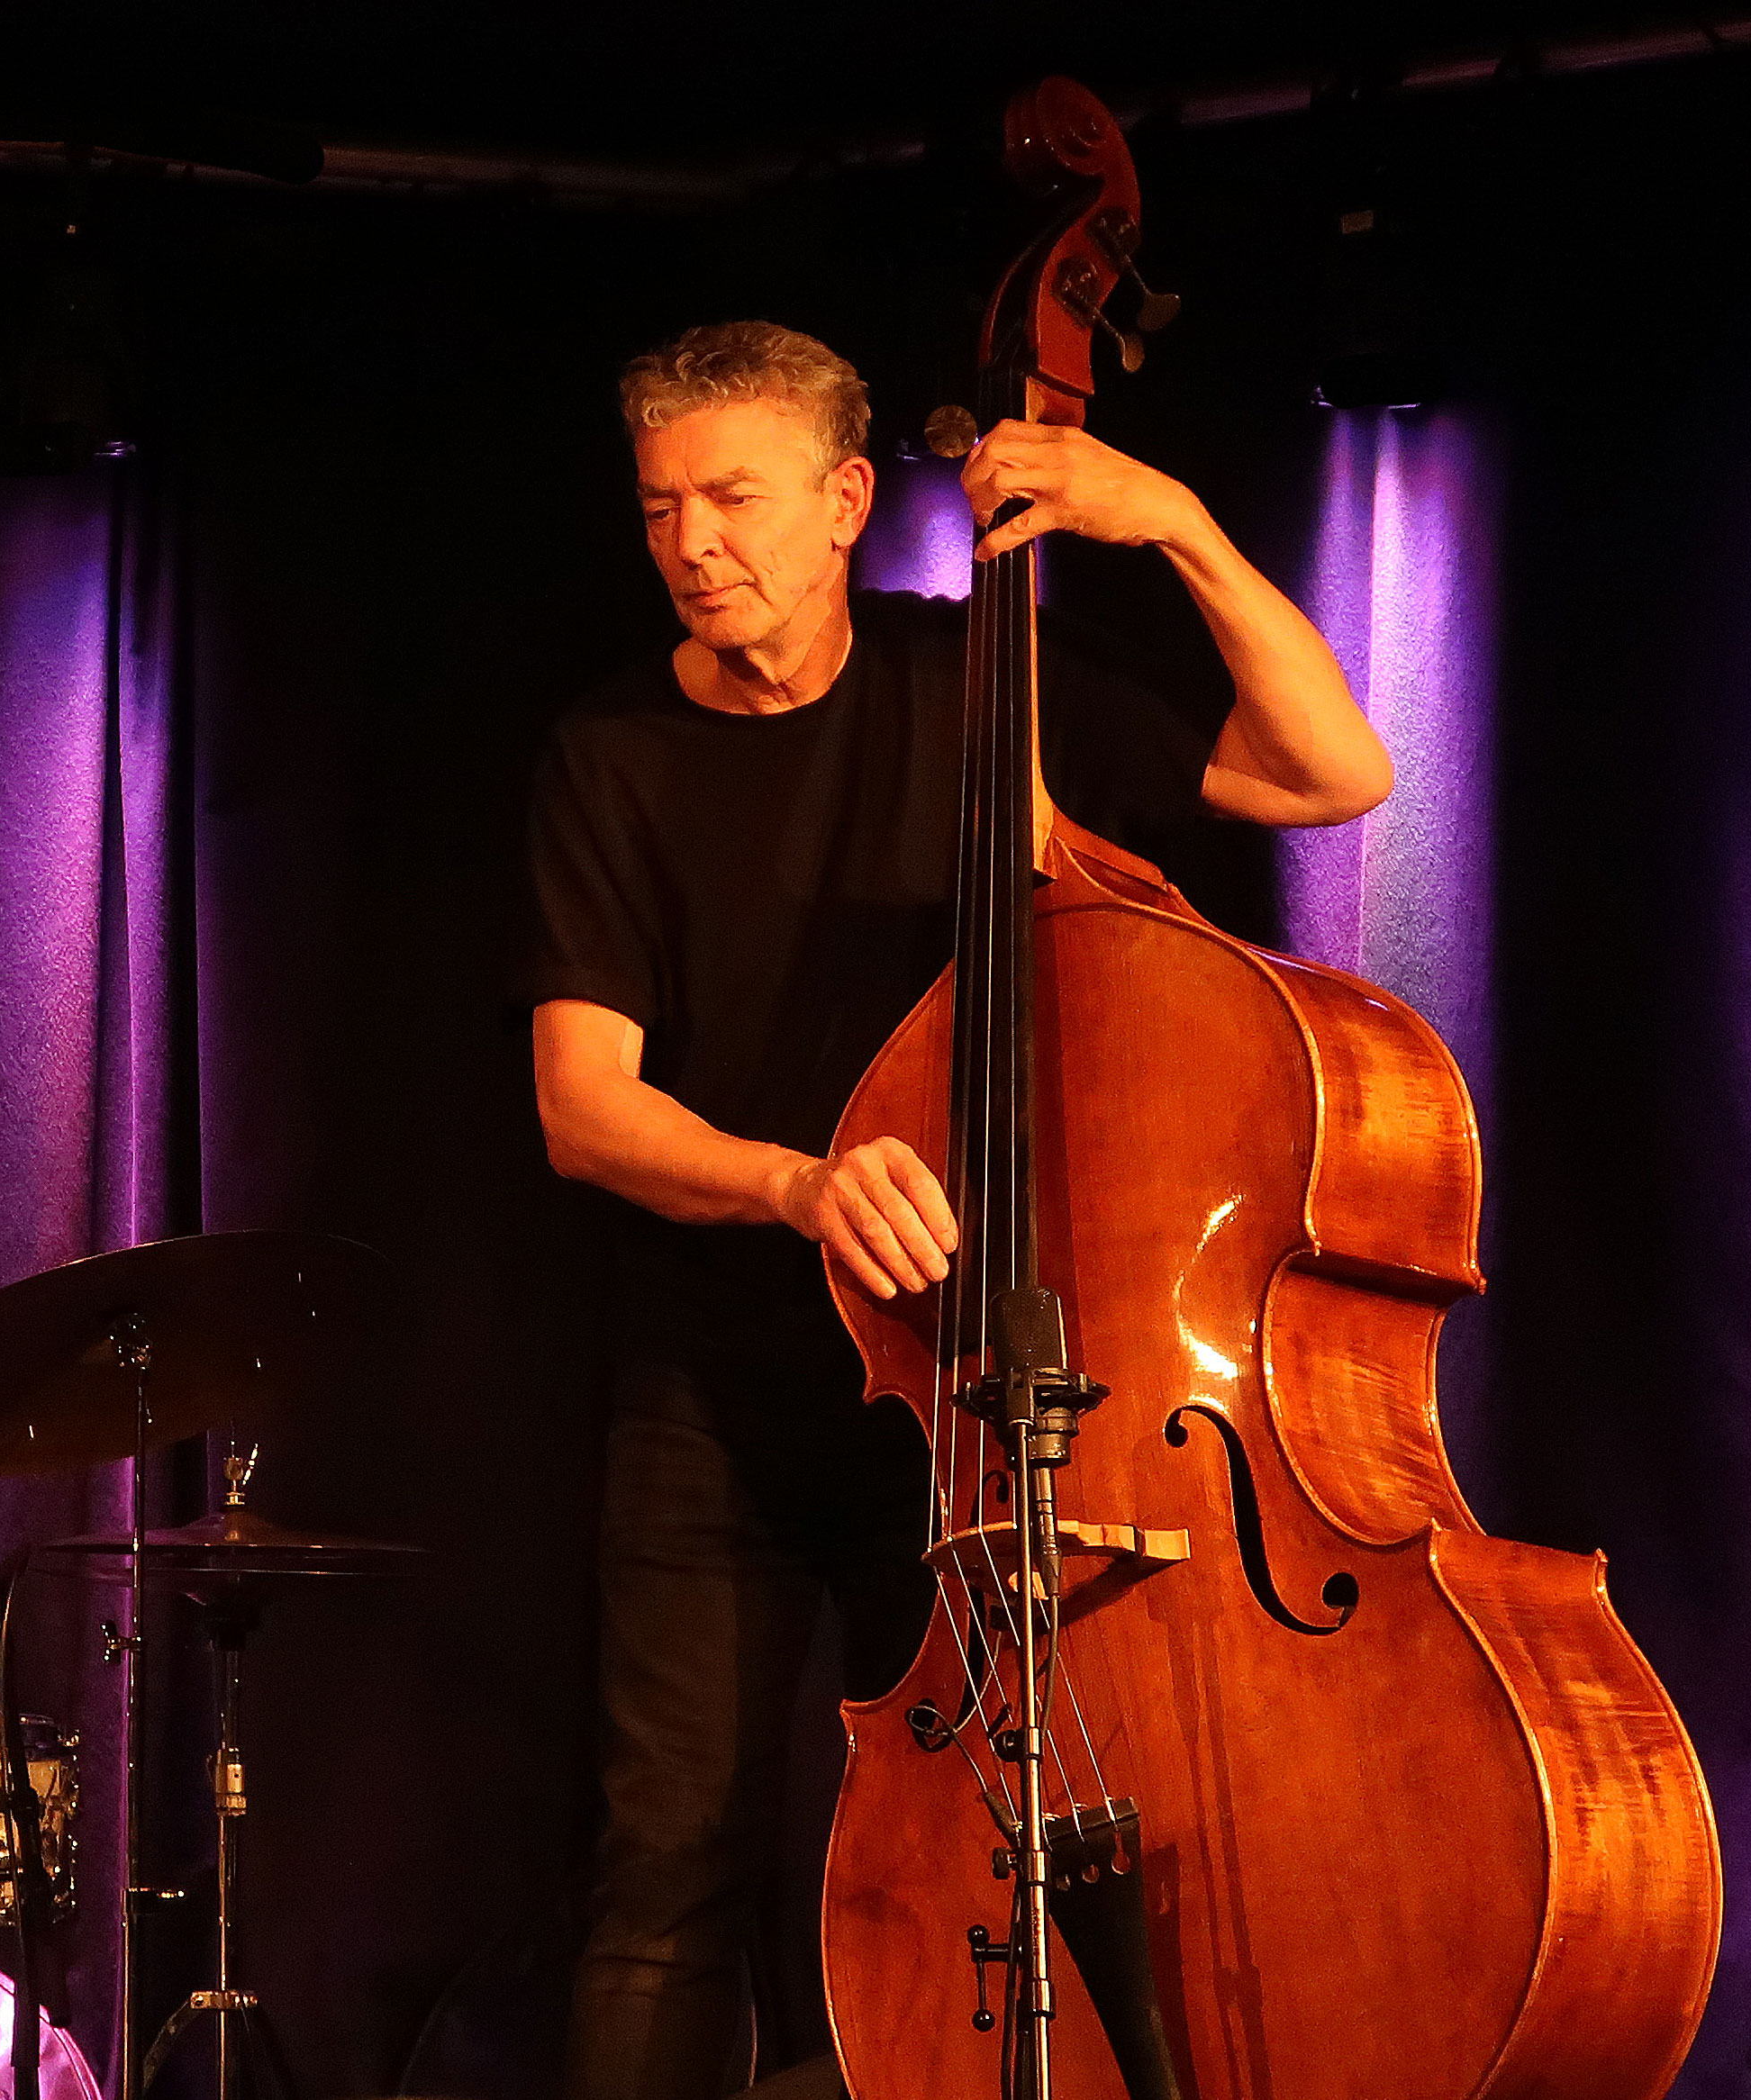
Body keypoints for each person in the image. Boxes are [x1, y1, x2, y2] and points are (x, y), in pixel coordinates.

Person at [522, 321, 1391, 2100]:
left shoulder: (986, 679)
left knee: (971, 1855)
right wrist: (798, 1183)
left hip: (988, 1387)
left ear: (847, 499)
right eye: (661, 506)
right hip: (716, 1397)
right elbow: (582, 1109)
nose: (693, 541)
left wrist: (1177, 524)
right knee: (668, 1867)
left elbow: (1331, 773)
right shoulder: (608, 754)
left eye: (732, 497)